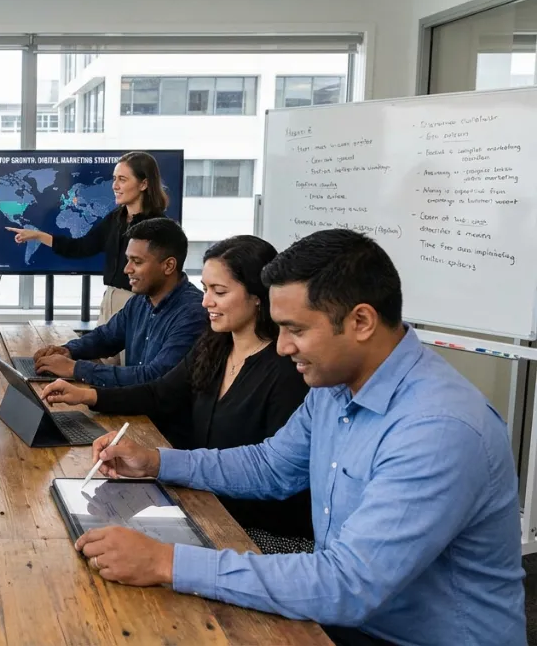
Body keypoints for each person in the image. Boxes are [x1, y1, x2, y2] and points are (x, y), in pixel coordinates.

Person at [73, 229, 524, 646]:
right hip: (342, 619)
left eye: (296, 330)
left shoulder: (437, 428)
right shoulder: (336, 387)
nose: (284, 347)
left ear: (361, 321)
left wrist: (166, 563)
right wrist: (155, 463)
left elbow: (348, 585)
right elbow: (270, 466)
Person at [40, 235, 312, 553]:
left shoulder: (290, 373)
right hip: (199, 505)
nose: (205, 302)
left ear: (257, 296)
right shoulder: (215, 344)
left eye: (219, 292)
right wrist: (89, 397)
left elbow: (271, 477)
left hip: (254, 532)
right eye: (206, 288)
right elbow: (160, 393)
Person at [6, 151, 169, 361]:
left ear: (144, 184)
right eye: (114, 179)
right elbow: (82, 247)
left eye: (122, 179)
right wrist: (39, 236)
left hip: (139, 303)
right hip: (111, 299)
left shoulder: (159, 227)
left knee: (131, 369)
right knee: (105, 365)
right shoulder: (115, 218)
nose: (115, 185)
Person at [31, 217, 208, 387]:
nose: (126, 269)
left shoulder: (193, 313)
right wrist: (69, 350)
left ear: (168, 266)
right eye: (128, 260)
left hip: (159, 417)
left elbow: (155, 377)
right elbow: (106, 337)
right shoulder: (139, 301)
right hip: (133, 408)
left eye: (136, 262)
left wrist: (75, 368)